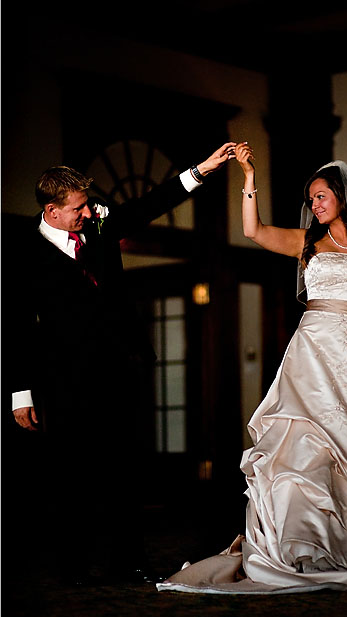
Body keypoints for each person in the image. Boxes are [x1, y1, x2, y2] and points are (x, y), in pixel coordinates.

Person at [157, 143, 347, 593]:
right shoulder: (305, 243)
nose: (313, 204)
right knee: (302, 449)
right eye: (311, 198)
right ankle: (301, 547)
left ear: (343, 196)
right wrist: (249, 178)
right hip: (314, 350)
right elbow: (253, 230)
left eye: (320, 196)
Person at [8, 143, 238, 585]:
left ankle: (128, 561)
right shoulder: (23, 253)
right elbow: (15, 326)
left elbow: (150, 204)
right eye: (78, 207)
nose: (87, 212)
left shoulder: (99, 225)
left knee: (124, 471)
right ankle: (71, 568)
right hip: (63, 380)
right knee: (70, 474)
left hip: (117, 369)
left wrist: (202, 169)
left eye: (88, 204)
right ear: (53, 210)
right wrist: (21, 393)